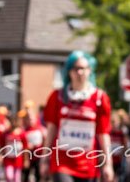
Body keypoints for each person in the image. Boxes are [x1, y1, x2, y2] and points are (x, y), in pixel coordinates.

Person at [41, 51, 114, 182]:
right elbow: (51, 130)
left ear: (90, 71)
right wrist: (44, 160)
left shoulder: (99, 98)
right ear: (69, 71)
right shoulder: (57, 97)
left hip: (88, 166)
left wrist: (108, 165)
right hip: (61, 163)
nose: (79, 72)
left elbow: (103, 134)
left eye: (82, 68)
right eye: (75, 68)